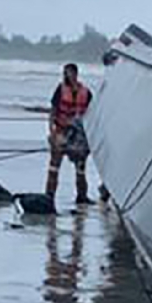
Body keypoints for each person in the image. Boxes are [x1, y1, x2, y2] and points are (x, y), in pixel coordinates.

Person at [46, 61, 93, 208]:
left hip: (78, 135)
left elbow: (92, 115)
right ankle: (49, 196)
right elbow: (53, 111)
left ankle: (82, 196)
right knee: (54, 166)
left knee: (81, 168)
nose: (66, 75)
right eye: (64, 72)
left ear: (75, 73)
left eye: (69, 72)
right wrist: (52, 131)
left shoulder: (86, 92)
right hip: (61, 131)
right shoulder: (60, 89)